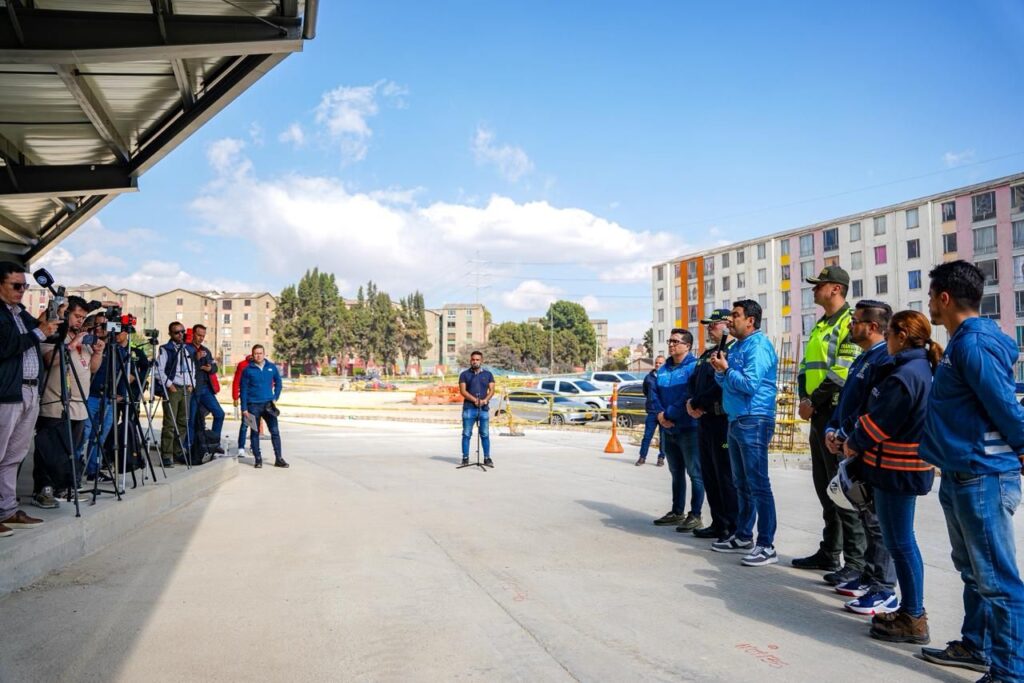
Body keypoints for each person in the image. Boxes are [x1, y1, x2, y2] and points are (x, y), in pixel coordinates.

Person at [919, 260, 1024, 682]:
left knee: (998, 581)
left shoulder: (974, 345)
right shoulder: (963, 342)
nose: (928, 304)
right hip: (961, 473)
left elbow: (1005, 407)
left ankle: (1009, 672)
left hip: (982, 475)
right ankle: (976, 645)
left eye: (930, 296)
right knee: (974, 573)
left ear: (944, 298)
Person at [843, 310, 939, 644]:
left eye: (889, 335)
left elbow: (881, 422)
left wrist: (852, 442)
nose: (885, 340)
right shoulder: (916, 368)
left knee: (900, 542)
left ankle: (913, 615)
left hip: (897, 470)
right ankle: (911, 612)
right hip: (901, 469)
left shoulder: (905, 375)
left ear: (901, 336)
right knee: (901, 540)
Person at [824, 300, 900, 615]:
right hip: (849, 442)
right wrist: (833, 429)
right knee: (867, 516)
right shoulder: (863, 358)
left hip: (867, 447)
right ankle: (869, 577)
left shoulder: (884, 359)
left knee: (878, 521)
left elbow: (870, 408)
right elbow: (847, 402)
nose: (850, 326)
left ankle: (883, 587)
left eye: (855, 321)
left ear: (872, 326)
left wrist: (847, 434)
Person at [793, 265, 866, 581]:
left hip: (835, 413)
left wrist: (813, 400)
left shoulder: (849, 322)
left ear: (836, 288)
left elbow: (843, 370)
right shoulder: (821, 324)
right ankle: (830, 551)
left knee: (843, 488)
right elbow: (805, 366)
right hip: (816, 413)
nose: (814, 289)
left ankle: (856, 561)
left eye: (818, 285)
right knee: (825, 487)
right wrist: (803, 397)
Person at [710, 299, 780, 567]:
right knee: (741, 482)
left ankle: (767, 544)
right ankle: (743, 535)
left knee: (758, 484)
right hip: (736, 418)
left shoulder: (758, 346)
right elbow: (726, 382)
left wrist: (727, 370)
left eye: (735, 315)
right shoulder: (737, 346)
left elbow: (750, 384)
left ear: (750, 320)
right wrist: (720, 371)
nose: (729, 320)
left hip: (755, 418)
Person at [0, 262, 56, 535]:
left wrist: (54, 319)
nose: (22, 290)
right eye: (16, 285)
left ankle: (7, 509)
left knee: (14, 455)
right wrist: (39, 332)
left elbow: (44, 332)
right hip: (7, 392)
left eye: (25, 286)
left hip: (30, 391)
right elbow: (6, 346)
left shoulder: (20, 312)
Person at [34, 297, 103, 506]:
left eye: (83, 317)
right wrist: (72, 345)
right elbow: (49, 360)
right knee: (49, 450)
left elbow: (92, 368)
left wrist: (98, 352)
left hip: (79, 405)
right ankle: (43, 490)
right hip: (55, 403)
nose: (80, 320)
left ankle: (63, 487)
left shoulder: (82, 337)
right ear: (66, 314)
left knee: (70, 451)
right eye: (77, 316)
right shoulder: (55, 334)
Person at [687, 309, 740, 542]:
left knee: (725, 476)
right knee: (709, 474)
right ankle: (718, 523)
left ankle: (733, 526)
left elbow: (720, 386)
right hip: (704, 419)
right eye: (708, 325)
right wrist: (691, 402)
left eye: (714, 324)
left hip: (721, 420)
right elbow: (693, 381)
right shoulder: (707, 354)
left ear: (727, 326)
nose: (709, 328)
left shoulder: (732, 352)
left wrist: (697, 402)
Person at [652, 328, 704, 532]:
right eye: (670, 341)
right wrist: (660, 415)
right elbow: (654, 394)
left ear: (687, 346)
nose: (671, 345)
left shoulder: (694, 367)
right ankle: (677, 511)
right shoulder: (663, 369)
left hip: (688, 428)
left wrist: (669, 415)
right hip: (668, 428)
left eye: (676, 341)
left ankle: (695, 515)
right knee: (676, 472)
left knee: (695, 473)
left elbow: (688, 396)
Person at [78, 311, 116, 484]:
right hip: (89, 395)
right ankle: (75, 471)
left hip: (108, 397)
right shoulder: (87, 343)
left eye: (105, 325)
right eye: (98, 324)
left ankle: (94, 470)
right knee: (83, 434)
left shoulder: (113, 347)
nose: (101, 328)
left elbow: (120, 369)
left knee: (100, 436)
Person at [155, 322, 195, 467]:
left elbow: (192, 368)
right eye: (176, 332)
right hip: (174, 387)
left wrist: (192, 383)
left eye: (182, 331)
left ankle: (178, 451)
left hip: (186, 387)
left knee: (183, 421)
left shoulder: (188, 349)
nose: (180, 335)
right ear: (170, 334)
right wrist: (169, 384)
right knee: (170, 423)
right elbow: (158, 370)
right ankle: (167, 454)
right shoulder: (166, 349)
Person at [239, 344, 286, 469]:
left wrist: (275, 397)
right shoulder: (247, 370)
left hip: (269, 405)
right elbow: (243, 390)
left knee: (275, 432)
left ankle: (279, 459)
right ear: (252, 355)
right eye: (256, 353)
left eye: (260, 353)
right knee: (254, 433)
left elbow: (279, 383)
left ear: (264, 354)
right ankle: (258, 459)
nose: (258, 355)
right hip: (253, 406)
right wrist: (244, 408)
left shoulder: (272, 367)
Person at [189, 324, 224, 453]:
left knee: (219, 414)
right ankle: (189, 447)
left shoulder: (206, 350)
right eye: (199, 335)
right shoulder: (187, 349)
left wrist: (210, 368)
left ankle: (214, 442)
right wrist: (196, 359)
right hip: (193, 389)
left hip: (206, 388)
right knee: (191, 419)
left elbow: (214, 367)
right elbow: (184, 368)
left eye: (203, 336)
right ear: (193, 334)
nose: (201, 338)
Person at [458, 351, 495, 467]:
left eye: (477, 359)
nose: (475, 361)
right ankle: (465, 458)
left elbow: (492, 390)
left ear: (481, 361)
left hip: (483, 409)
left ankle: (487, 458)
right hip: (469, 409)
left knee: (485, 434)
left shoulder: (488, 374)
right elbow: (463, 391)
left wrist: (485, 400)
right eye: (473, 359)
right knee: (466, 434)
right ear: (470, 360)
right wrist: (475, 400)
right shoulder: (464, 374)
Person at [636, 355, 666, 466]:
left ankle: (661, 458)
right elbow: (645, 391)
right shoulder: (648, 377)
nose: (658, 364)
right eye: (656, 362)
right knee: (647, 436)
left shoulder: (668, 376)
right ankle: (642, 457)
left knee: (664, 437)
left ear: (664, 364)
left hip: (664, 412)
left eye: (660, 363)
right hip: (652, 411)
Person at [232, 353, 253, 457]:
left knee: (255, 423)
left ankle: (254, 445)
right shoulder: (242, 365)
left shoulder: (261, 365)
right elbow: (236, 381)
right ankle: (241, 447)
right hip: (246, 397)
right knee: (245, 423)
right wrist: (235, 397)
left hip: (258, 398)